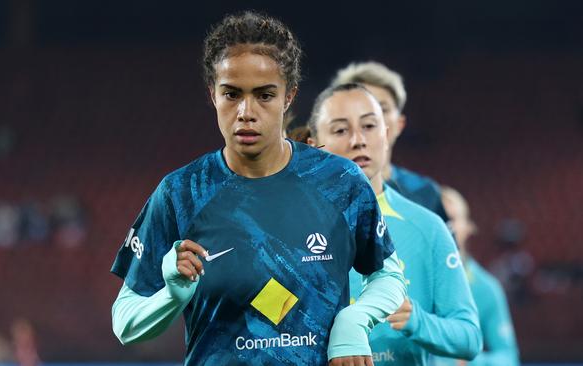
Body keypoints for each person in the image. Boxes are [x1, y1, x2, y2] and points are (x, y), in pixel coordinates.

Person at [110, 11, 406, 366]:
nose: (246, 112)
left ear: (289, 96)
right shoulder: (181, 193)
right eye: (232, 94)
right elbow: (125, 323)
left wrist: (352, 321)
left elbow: (388, 274)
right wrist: (172, 296)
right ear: (213, 95)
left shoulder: (339, 182)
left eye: (264, 95)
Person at [303, 83, 481, 365]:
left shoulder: (428, 227)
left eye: (370, 126)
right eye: (340, 130)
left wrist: (417, 320)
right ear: (314, 146)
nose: (358, 140)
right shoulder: (291, 230)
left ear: (386, 134)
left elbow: (470, 338)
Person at [330, 62, 448, 221]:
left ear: (400, 124)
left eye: (382, 109)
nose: (372, 117)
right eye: (361, 107)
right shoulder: (316, 192)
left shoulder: (425, 193)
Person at [435, 186, 520, 366]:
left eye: (451, 219)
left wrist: (466, 363)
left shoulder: (486, 288)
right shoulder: (409, 279)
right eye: (438, 218)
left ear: (468, 227)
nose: (445, 226)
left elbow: (508, 358)